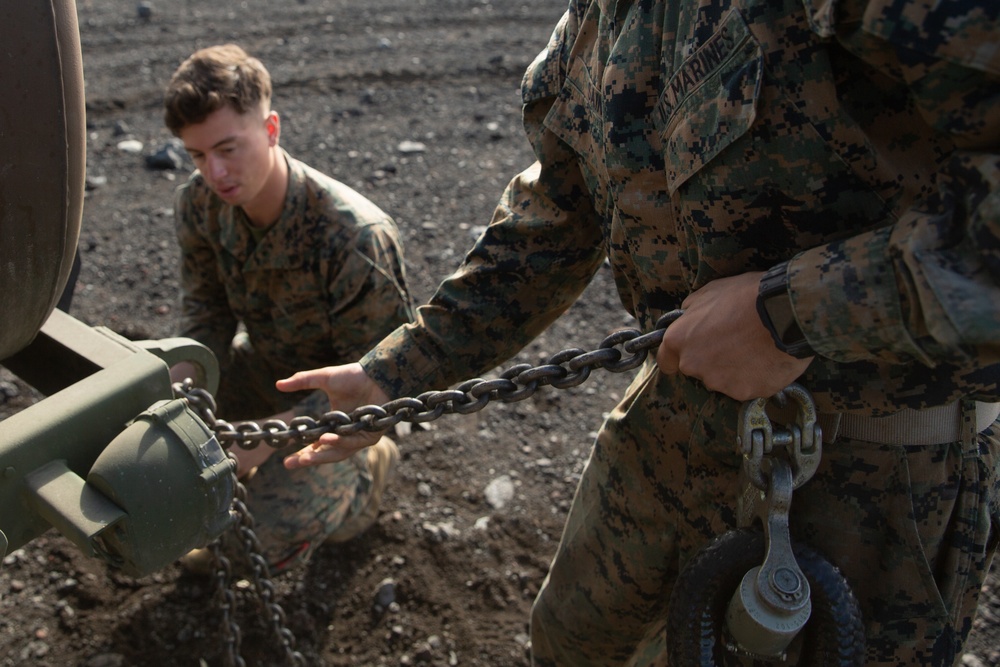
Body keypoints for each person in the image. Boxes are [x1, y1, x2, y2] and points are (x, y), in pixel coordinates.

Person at [276, 1, 1000, 665]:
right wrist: (393, 373)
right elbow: (555, 218)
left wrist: (795, 312)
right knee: (572, 642)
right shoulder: (603, 18)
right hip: (673, 421)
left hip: (874, 469)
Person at [163, 44, 413, 574]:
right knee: (160, 445)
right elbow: (206, 319)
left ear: (272, 129)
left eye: (229, 148)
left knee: (248, 545)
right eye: (198, 156)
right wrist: (180, 394)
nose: (216, 171)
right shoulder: (199, 203)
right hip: (267, 369)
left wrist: (259, 443)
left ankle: (366, 481)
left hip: (342, 405)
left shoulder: (355, 238)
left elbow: (379, 385)